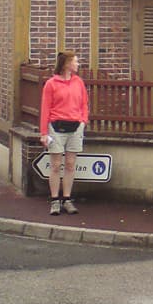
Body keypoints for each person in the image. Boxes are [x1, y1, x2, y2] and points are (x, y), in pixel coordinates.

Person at [39, 50, 89, 216]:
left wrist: (83, 121)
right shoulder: (51, 84)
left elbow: (84, 104)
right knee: (55, 165)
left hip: (75, 127)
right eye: (75, 61)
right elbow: (45, 109)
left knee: (70, 164)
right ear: (67, 64)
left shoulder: (78, 82)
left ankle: (67, 199)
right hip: (56, 127)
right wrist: (44, 132)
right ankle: (54, 200)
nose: (78, 64)